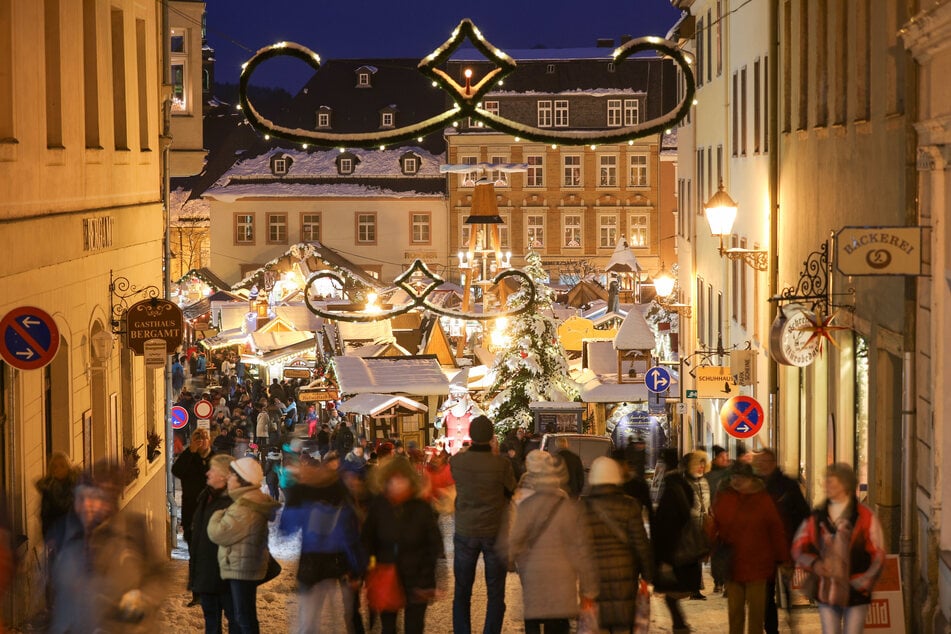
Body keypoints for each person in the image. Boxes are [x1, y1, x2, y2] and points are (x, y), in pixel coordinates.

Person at [49, 461, 165, 633]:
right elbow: (57, 598)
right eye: (81, 498)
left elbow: (159, 576)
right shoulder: (63, 535)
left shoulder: (134, 530)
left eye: (94, 497)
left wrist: (142, 598)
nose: (86, 505)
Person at [507, 450, 598, 634]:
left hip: (532, 572)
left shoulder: (524, 502)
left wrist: (512, 560)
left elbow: (514, 540)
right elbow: (579, 547)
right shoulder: (566, 504)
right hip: (562, 578)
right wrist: (588, 587)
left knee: (533, 618)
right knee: (557, 622)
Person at [792, 463, 886, 634]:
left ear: (846, 486)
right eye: (826, 482)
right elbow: (798, 547)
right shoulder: (817, 516)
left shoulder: (865, 516)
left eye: (832, 483)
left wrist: (862, 582)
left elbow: (878, 555)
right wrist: (815, 565)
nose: (827, 486)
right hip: (826, 589)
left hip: (856, 591)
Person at [281, 456, 366, 634]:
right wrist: (356, 569)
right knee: (339, 620)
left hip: (312, 566)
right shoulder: (340, 492)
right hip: (337, 565)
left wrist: (293, 500)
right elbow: (351, 536)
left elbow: (287, 529)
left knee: (310, 622)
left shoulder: (301, 493)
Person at [449, 415, 517, 634]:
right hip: (493, 530)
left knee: (462, 591)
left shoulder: (457, 461)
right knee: (495, 591)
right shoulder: (501, 464)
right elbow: (511, 489)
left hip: (465, 529)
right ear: (491, 436)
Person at [363, 457, 443, 634]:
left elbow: (433, 545)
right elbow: (368, 540)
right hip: (386, 574)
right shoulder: (379, 506)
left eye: (402, 479)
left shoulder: (421, 507)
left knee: (414, 628)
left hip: (417, 578)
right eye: (392, 479)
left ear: (410, 480)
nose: (397, 484)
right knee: (388, 628)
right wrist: (367, 570)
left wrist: (428, 582)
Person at [709, 462, 788, 634]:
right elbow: (715, 525)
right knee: (735, 614)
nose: (737, 481)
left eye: (741, 478)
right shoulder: (725, 497)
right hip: (733, 565)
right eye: (734, 477)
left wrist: (783, 558)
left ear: (751, 479)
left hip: (758, 566)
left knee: (756, 616)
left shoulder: (762, 499)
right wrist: (709, 547)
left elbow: (775, 529)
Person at [207, 457, 281, 634]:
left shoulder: (244, 506)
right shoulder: (249, 500)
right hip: (245, 563)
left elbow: (218, 533)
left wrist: (218, 514)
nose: (229, 480)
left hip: (242, 567)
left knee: (244, 617)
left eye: (232, 476)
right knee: (244, 615)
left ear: (242, 480)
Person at [582, 456, 652, 634]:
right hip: (625, 576)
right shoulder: (629, 505)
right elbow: (641, 545)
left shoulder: (583, 507)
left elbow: (578, 547)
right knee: (622, 625)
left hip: (594, 577)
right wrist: (648, 575)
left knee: (599, 625)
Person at [754, 448, 811, 634]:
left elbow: (803, 513)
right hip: (764, 548)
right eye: (759, 463)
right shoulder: (756, 485)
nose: (761, 466)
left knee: (786, 587)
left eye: (764, 462)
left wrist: (799, 539)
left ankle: (790, 615)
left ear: (773, 463)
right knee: (766, 591)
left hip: (787, 544)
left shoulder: (788, 485)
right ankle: (772, 629)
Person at [652, 452, 704, 634]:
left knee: (670, 594)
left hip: (675, 551)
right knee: (671, 595)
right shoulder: (683, 485)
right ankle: (679, 626)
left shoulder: (671, 488)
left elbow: (667, 523)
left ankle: (680, 627)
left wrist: (662, 556)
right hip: (681, 550)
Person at [192, 454, 236, 634]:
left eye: (213, 470)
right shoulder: (206, 497)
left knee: (235, 621)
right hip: (207, 576)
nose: (207, 473)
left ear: (225, 476)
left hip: (226, 578)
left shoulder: (234, 503)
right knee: (211, 623)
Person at [172, 427, 213, 606]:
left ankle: (212, 592)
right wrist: (190, 451)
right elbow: (177, 471)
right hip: (192, 513)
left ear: (210, 440)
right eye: (198, 437)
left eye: (204, 437)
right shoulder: (189, 457)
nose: (201, 440)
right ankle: (197, 594)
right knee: (195, 554)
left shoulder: (217, 459)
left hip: (213, 514)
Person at [683, 450, 711, 600]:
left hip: (702, 524)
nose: (701, 467)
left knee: (699, 557)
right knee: (691, 557)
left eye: (703, 464)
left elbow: (707, 504)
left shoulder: (704, 482)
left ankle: (696, 588)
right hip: (689, 525)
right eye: (698, 464)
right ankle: (691, 587)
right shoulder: (686, 482)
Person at [36, 451, 79, 549]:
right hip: (58, 538)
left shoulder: (76, 486)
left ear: (68, 468)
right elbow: (45, 515)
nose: (58, 469)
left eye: (62, 466)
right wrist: (48, 536)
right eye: (54, 467)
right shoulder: (48, 489)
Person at [706, 445, 732, 593]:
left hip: (730, 518)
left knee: (728, 551)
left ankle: (726, 580)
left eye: (727, 456)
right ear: (715, 458)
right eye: (722, 457)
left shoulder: (731, 474)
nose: (725, 459)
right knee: (717, 551)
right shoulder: (709, 477)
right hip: (715, 517)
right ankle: (718, 580)